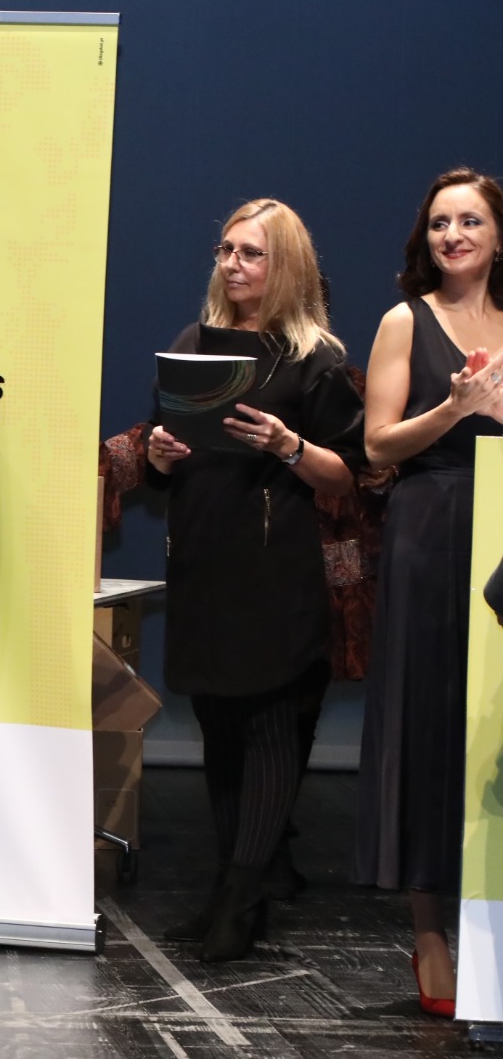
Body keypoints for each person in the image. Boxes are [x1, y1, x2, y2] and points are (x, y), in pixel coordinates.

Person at [147, 199, 364, 962]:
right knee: (220, 729)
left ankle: (244, 898)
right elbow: (164, 454)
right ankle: (228, 889)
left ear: (286, 266)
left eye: (250, 253)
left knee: (269, 726)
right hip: (204, 557)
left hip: (274, 567)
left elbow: (347, 475)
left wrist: (288, 444)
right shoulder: (193, 343)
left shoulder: (316, 358)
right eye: (226, 250)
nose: (232, 264)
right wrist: (160, 458)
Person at [356, 167, 503, 1017]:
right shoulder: (404, 321)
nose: (453, 235)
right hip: (429, 529)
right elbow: (377, 446)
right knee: (427, 721)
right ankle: (429, 933)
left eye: (470, 221)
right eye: (441, 222)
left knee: (490, 724)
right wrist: (455, 408)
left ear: (498, 235)